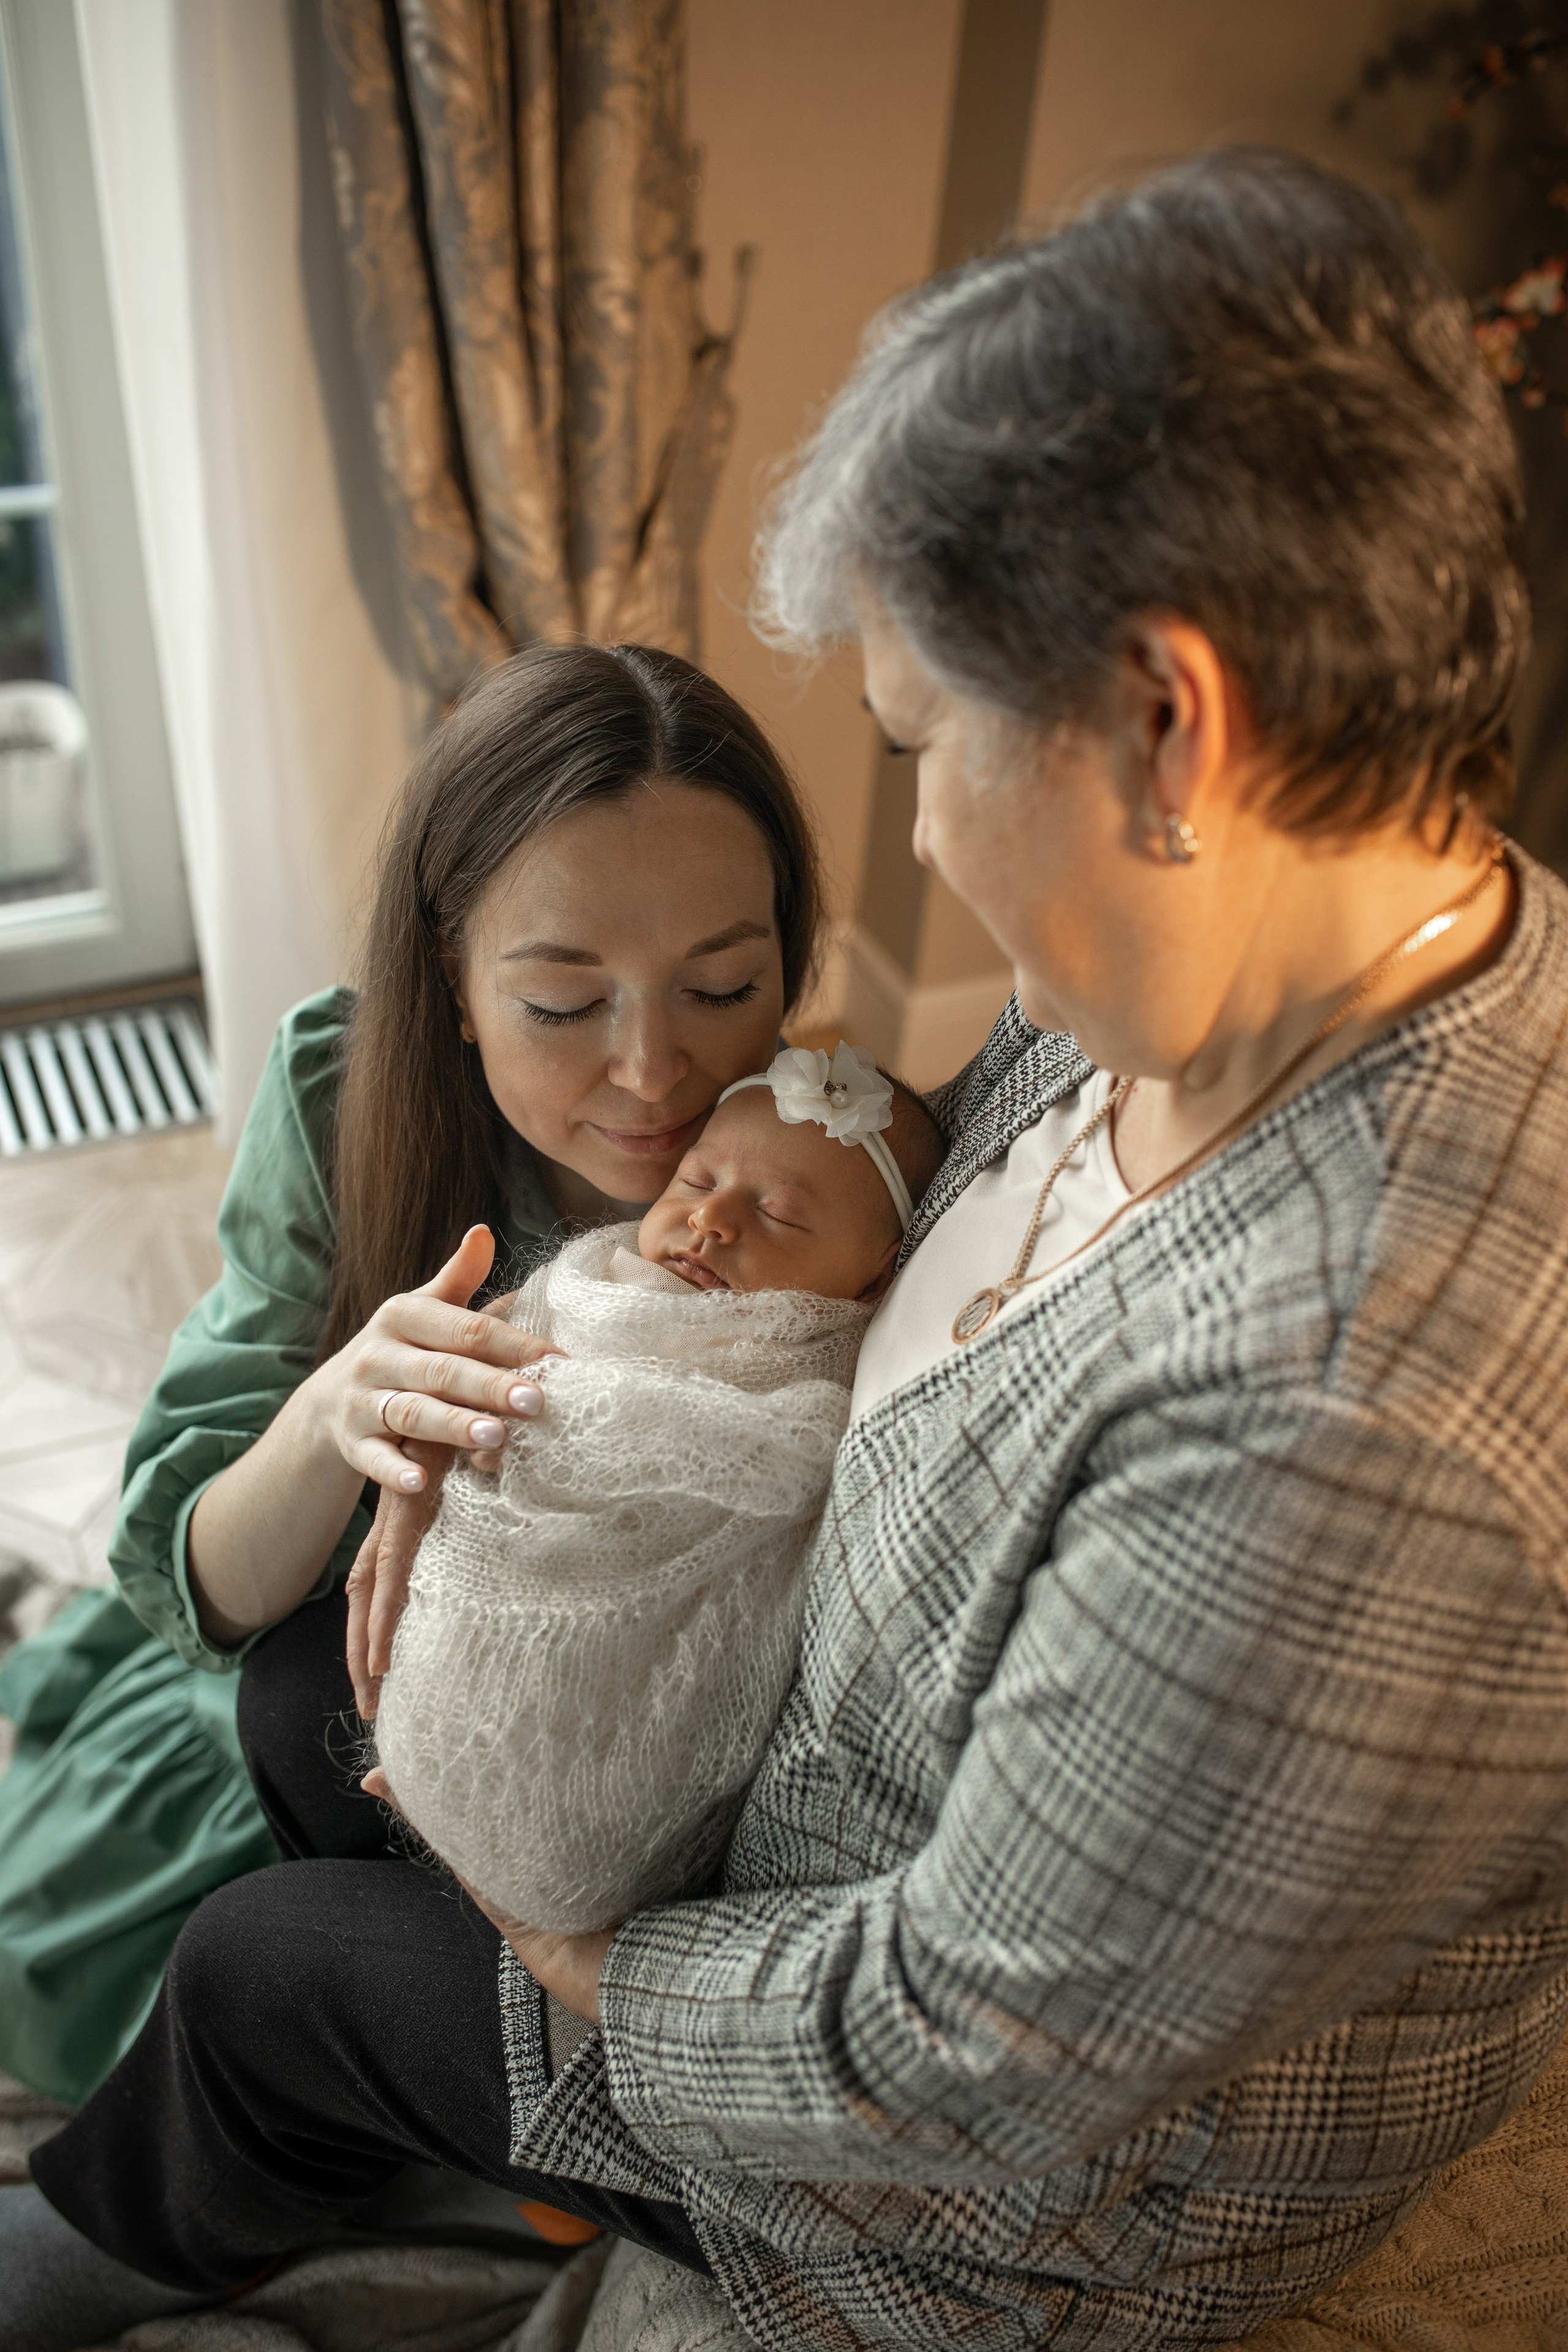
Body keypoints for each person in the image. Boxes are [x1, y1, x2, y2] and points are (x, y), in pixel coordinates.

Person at [12, 145, 1568, 2352]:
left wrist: (573, 1958)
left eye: (926, 741)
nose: (917, 828)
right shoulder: (1189, 976)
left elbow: (957, 2059)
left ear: (1168, 729)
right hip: (792, 1746)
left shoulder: (1346, 1426)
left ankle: (133, 2234)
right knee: (294, 1694)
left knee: (274, 1974)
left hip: (980, 2199)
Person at [0, 638, 821, 2108]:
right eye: (562, 1006)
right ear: (449, 982)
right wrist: (337, 1408)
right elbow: (195, 1584)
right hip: (312, 1720)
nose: (652, 1073)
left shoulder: (817, 1161)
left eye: (723, 985)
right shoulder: (346, 1096)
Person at [371, 1047, 946, 1939]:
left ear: (876, 1275)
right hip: (442, 1671)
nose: (711, 1220)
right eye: (696, 1180)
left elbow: (784, 1460)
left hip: (603, 1782)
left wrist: (565, 1411)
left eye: (780, 1216)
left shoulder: (814, 1380)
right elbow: (506, 1355)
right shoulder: (586, 1280)